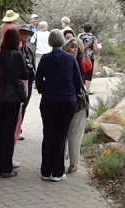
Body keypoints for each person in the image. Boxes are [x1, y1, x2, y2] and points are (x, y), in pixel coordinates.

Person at [36, 29, 83, 182]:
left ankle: (45, 171)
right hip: (66, 101)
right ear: (62, 41)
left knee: (48, 134)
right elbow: (77, 81)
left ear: (50, 42)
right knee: (61, 136)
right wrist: (73, 93)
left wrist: (44, 90)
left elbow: (38, 79)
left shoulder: (45, 58)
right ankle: (57, 172)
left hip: (49, 100)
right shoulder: (70, 59)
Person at [0, 29, 31, 178]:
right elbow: (24, 74)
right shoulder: (17, 55)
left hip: (0, 95)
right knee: (9, 133)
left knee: (0, 132)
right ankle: (6, 168)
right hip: (13, 97)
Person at [63, 38, 93, 174]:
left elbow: (88, 67)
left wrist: (85, 53)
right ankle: (71, 162)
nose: (74, 49)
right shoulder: (70, 61)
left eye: (76, 47)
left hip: (69, 100)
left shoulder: (78, 59)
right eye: (72, 47)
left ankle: (71, 162)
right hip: (76, 100)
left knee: (70, 133)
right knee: (73, 134)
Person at [16, 25, 37, 141]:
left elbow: (32, 65)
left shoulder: (28, 49)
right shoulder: (14, 49)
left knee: (24, 106)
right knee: (17, 106)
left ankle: (19, 128)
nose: (26, 37)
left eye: (27, 34)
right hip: (18, 82)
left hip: (27, 81)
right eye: (23, 34)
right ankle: (15, 129)